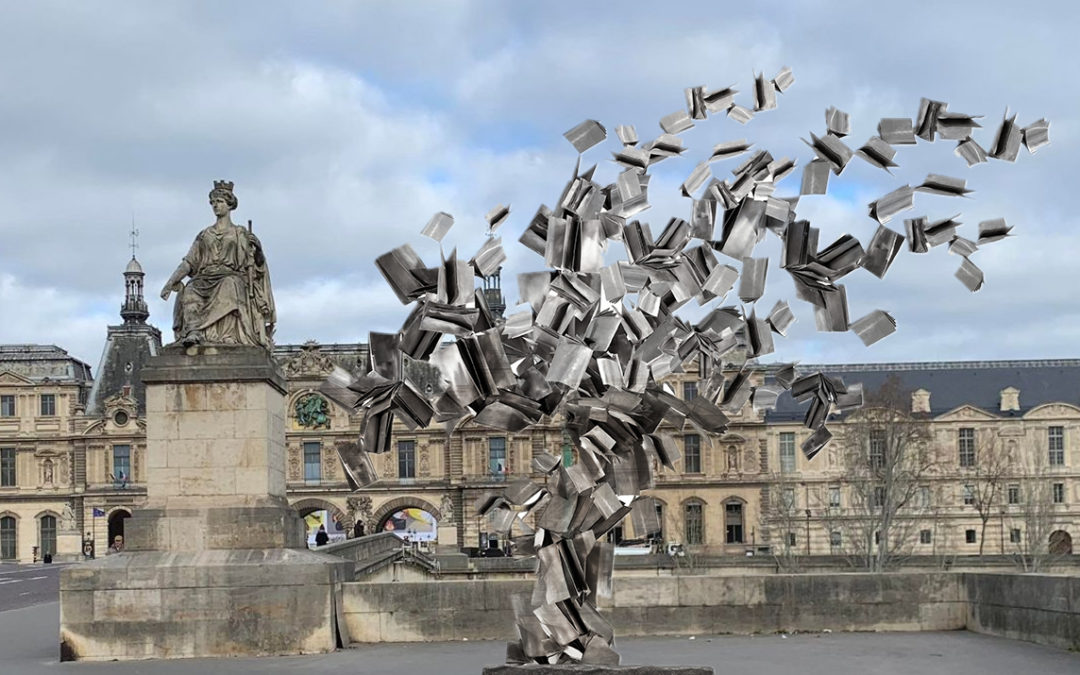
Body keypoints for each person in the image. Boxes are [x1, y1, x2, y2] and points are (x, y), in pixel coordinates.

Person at [160, 180, 275, 348]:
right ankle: (194, 332)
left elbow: (257, 265)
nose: (215, 206)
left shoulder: (240, 232)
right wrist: (170, 283)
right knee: (191, 289)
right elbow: (188, 262)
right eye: (213, 203)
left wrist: (258, 250)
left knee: (229, 285)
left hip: (230, 276)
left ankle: (227, 334)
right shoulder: (205, 234)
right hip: (205, 277)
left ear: (229, 205)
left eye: (219, 202)